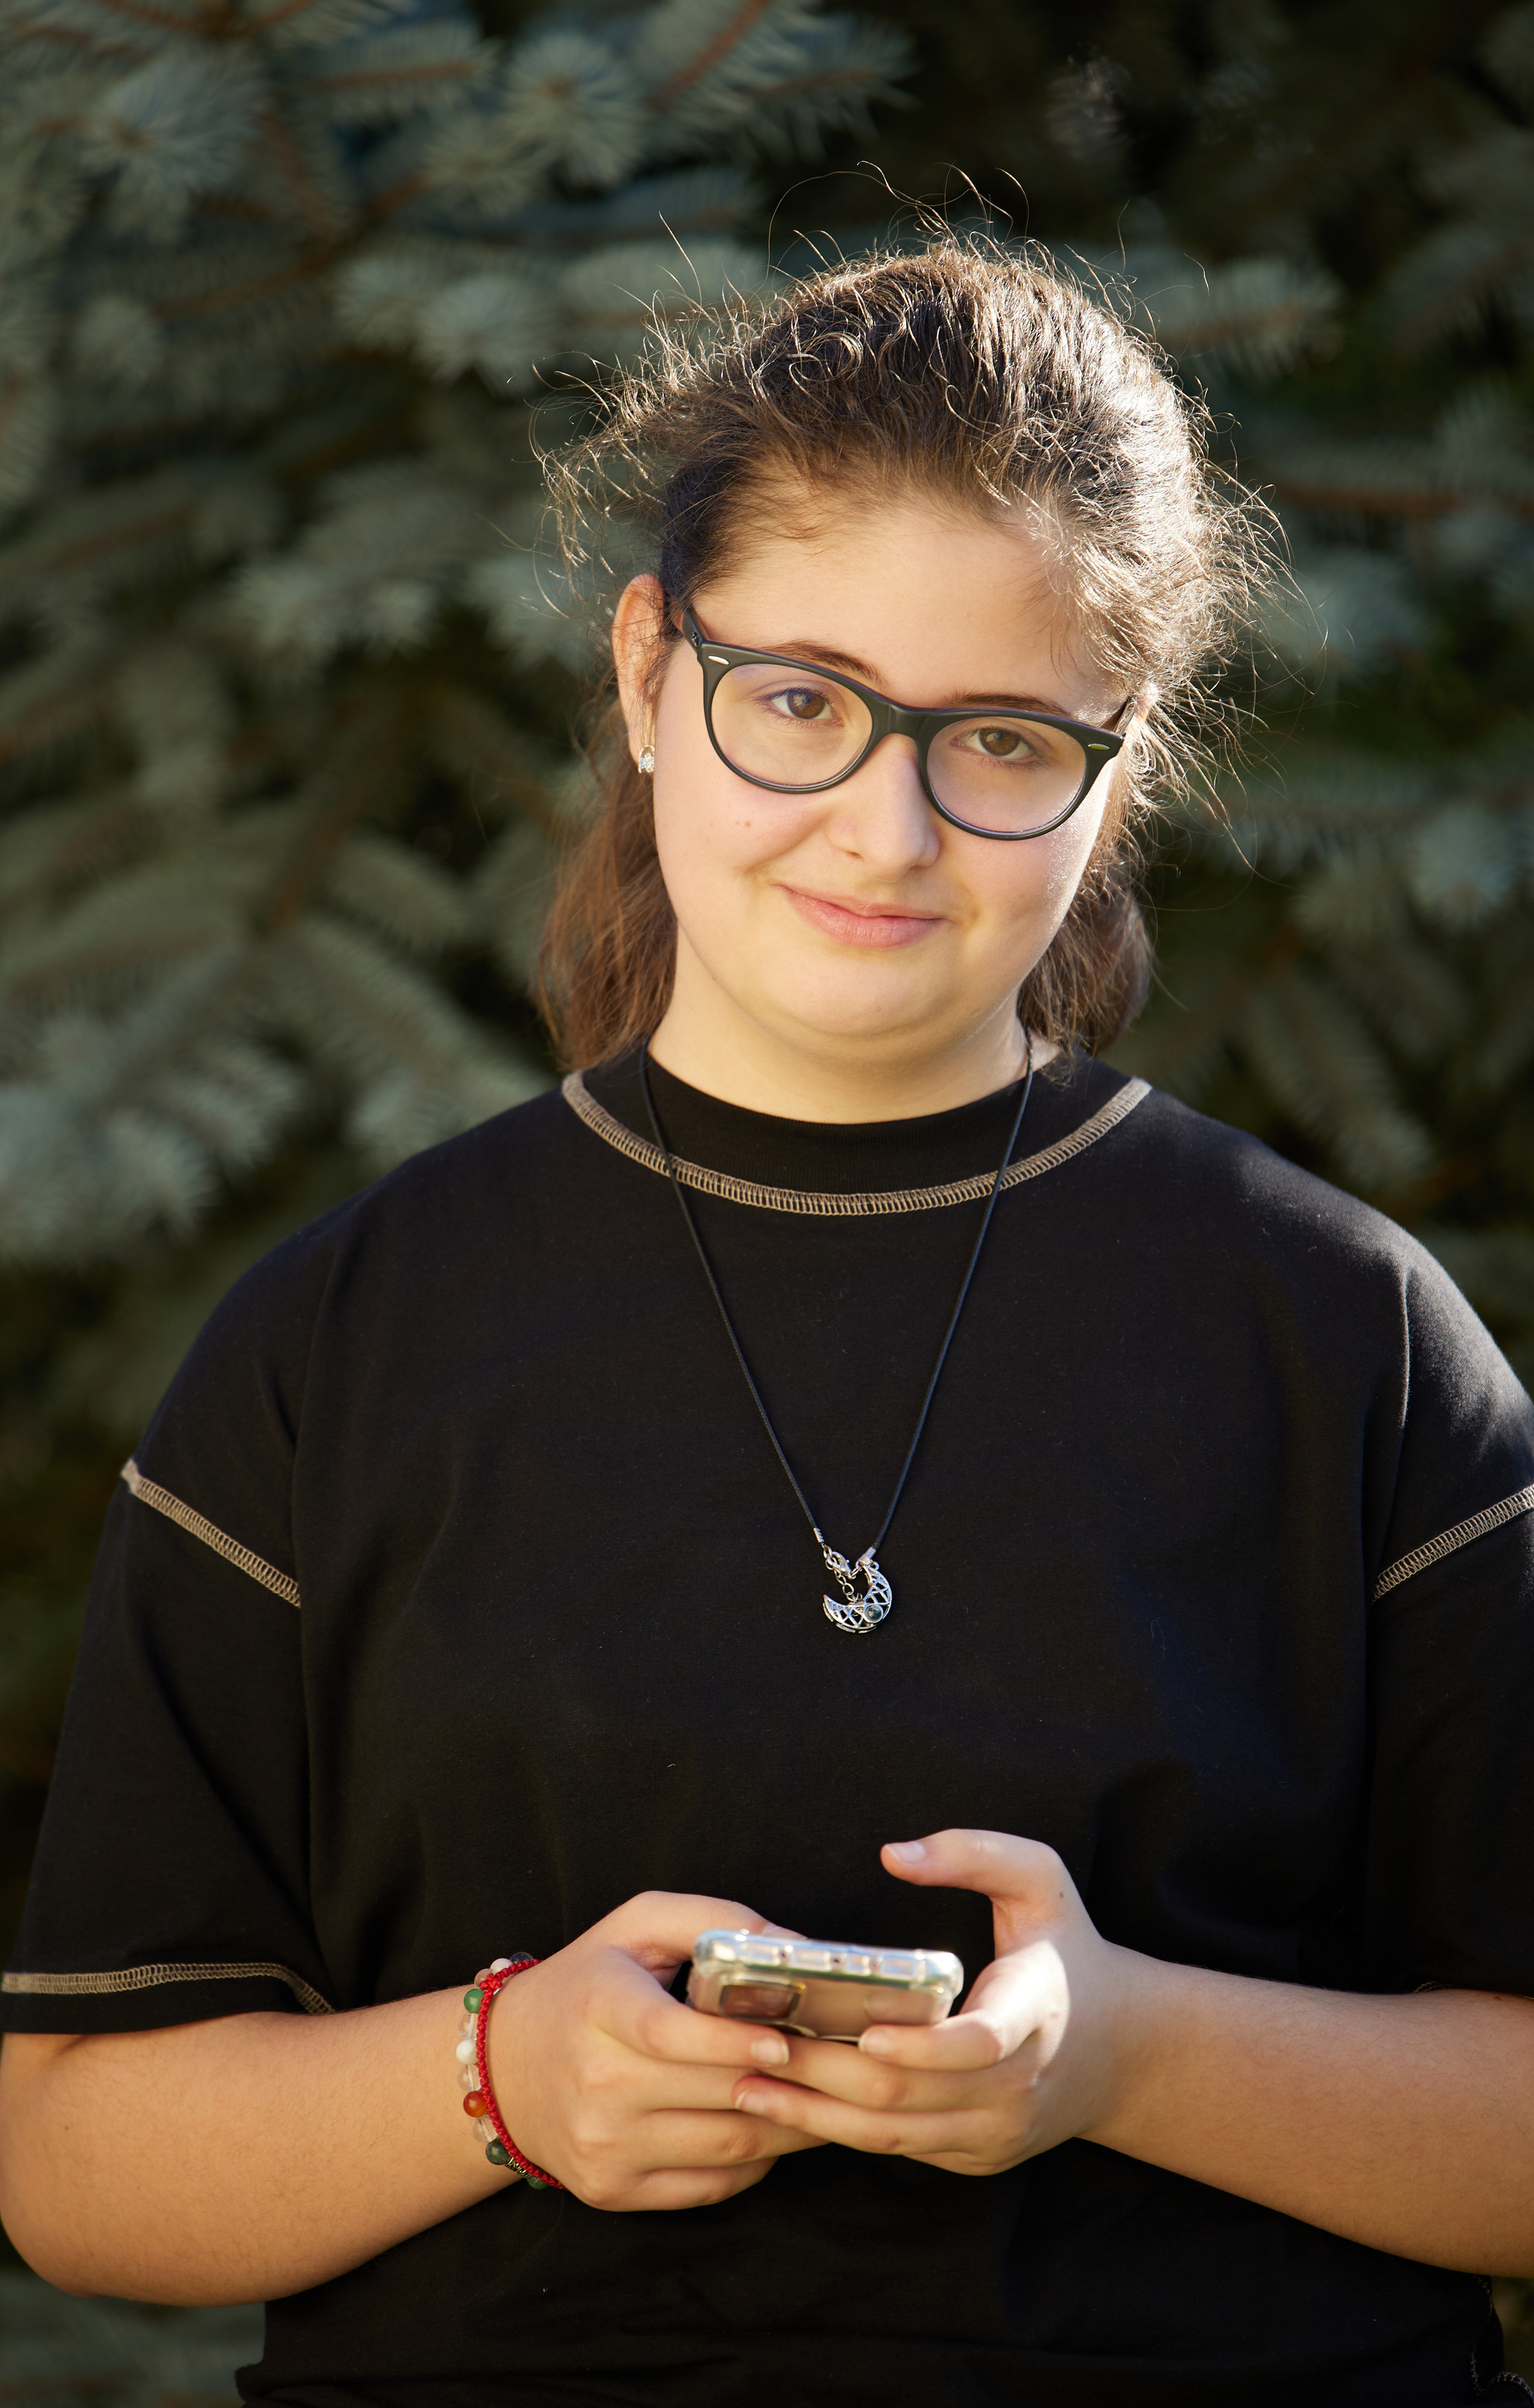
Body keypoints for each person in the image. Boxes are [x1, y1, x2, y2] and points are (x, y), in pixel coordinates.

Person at [0, 238, 1531, 2408]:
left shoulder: (1346, 1337)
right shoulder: (335, 1347)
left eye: (1000, 738)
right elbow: (74, 2156)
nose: (885, 831)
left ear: (1121, 766)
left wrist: (1131, 2053)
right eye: (801, 701)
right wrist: (497, 2074)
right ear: (650, 672)